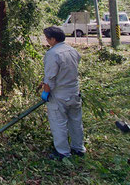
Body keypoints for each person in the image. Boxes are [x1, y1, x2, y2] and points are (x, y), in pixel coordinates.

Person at [41, 26, 86, 160]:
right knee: (76, 122)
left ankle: (62, 152)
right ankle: (78, 148)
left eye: (47, 38)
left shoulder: (52, 54)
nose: (47, 41)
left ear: (53, 39)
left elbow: (50, 78)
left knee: (58, 123)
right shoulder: (72, 51)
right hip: (74, 92)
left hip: (59, 95)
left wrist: (45, 93)